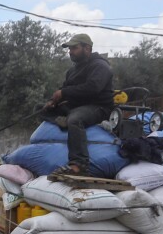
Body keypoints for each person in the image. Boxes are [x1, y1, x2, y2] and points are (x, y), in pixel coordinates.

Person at [45, 33, 115, 176]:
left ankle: (79, 165)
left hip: (98, 107)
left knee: (75, 119)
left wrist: (64, 93)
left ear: (87, 48)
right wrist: (54, 101)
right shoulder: (72, 70)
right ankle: (65, 120)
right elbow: (66, 88)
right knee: (42, 109)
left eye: (74, 48)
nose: (70, 52)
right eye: (69, 49)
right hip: (76, 106)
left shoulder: (100, 66)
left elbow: (93, 88)